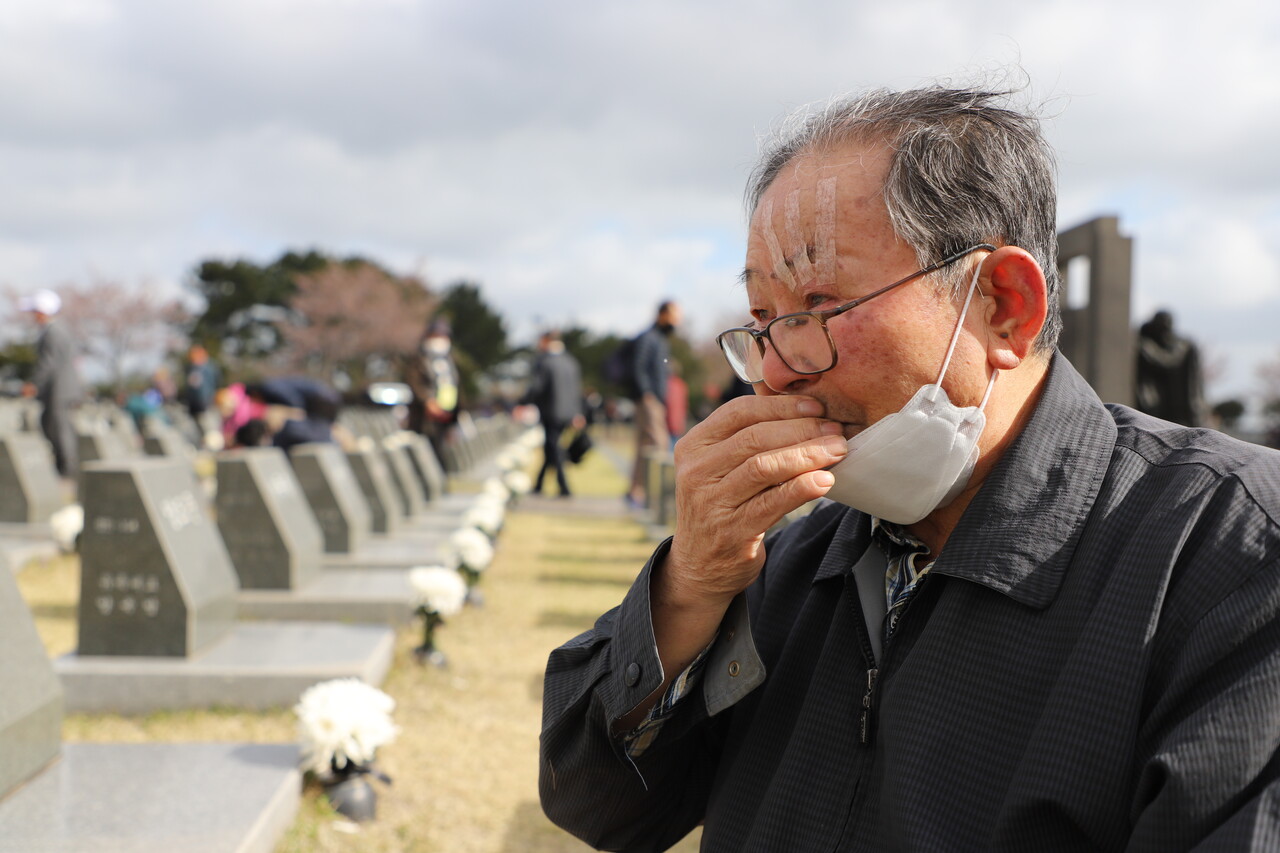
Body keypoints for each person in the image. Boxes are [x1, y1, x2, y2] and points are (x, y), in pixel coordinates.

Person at [540, 84, 1280, 851]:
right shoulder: (797, 560)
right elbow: (599, 808)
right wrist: (688, 586)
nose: (774, 372)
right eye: (762, 321)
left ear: (1004, 305)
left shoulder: (1234, 555)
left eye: (816, 305)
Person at [19, 289, 81, 478]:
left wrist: (34, 383)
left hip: (58, 389)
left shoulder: (53, 332)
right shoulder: (60, 329)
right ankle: (64, 466)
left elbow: (49, 362)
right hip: (63, 388)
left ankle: (67, 470)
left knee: (59, 428)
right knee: (52, 424)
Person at [627, 300, 681, 507]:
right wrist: (647, 393)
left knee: (645, 446)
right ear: (663, 314)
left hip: (655, 399)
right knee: (659, 443)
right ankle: (657, 496)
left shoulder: (660, 339)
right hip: (649, 400)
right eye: (675, 315)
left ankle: (636, 491)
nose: (678, 320)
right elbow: (638, 366)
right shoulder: (649, 338)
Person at [523, 330, 585, 497]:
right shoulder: (571, 362)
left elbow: (537, 388)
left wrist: (522, 403)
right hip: (569, 413)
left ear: (546, 341)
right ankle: (539, 484)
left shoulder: (545, 362)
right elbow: (577, 391)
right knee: (551, 448)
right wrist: (578, 413)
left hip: (551, 413)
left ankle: (564, 486)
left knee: (554, 448)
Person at [1135, 309, 1207, 427]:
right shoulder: (1152, 344)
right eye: (1161, 327)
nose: (1165, 331)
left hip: (1184, 406)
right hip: (1163, 407)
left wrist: (1147, 348)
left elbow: (1168, 361)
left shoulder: (1183, 345)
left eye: (1167, 326)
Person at [405, 317, 461, 466]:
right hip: (426, 415)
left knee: (443, 451)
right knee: (428, 452)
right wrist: (428, 401)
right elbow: (416, 383)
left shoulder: (448, 360)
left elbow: (453, 387)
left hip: (446, 413)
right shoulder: (420, 359)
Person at [182, 344, 220, 421]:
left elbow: (214, 385)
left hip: (206, 407)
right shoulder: (192, 369)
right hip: (196, 407)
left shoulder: (207, 368)